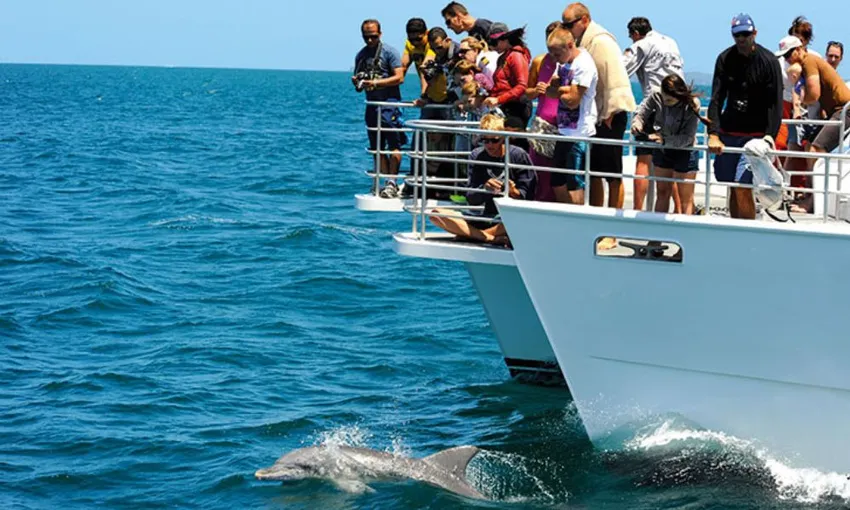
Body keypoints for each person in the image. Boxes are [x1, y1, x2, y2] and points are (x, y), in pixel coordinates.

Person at [562, 3, 636, 216]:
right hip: (597, 116)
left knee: (612, 174)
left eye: (569, 24)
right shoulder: (585, 41)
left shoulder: (601, 41)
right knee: (593, 172)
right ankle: (597, 219)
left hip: (609, 115)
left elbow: (614, 79)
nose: (566, 28)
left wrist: (610, 112)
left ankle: (612, 228)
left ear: (584, 20)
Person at [707, 13, 783, 220]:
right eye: (737, 35)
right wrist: (713, 133)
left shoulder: (769, 61)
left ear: (754, 33)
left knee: (742, 185)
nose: (741, 39)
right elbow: (716, 99)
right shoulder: (724, 59)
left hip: (756, 136)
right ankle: (736, 229)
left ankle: (748, 235)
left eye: (745, 34)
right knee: (731, 184)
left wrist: (769, 136)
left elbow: (775, 103)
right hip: (729, 132)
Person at [429, 114, 536, 245]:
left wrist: (513, 191)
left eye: (494, 140)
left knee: (519, 219)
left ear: (502, 138)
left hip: (508, 217)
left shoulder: (518, 155)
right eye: (485, 140)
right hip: (485, 214)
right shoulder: (477, 155)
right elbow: (471, 197)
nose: (490, 145)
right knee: (436, 214)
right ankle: (489, 238)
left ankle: (472, 235)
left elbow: (529, 196)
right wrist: (485, 189)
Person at [622, 16, 686, 211]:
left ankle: (638, 210)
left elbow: (621, 69)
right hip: (679, 104)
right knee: (670, 162)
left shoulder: (642, 44)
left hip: (655, 103)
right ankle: (680, 210)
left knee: (644, 159)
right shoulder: (670, 42)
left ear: (634, 34)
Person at [781, 34, 850, 210]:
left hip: (844, 111)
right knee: (809, 146)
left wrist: (800, 104)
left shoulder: (809, 61)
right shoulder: (809, 63)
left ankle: (811, 201)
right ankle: (808, 194)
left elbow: (814, 94)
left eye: (789, 54)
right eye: (784, 56)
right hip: (836, 111)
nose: (787, 59)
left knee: (814, 151)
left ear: (799, 50)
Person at [631, 74, 709, 215]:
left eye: (670, 100)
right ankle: (657, 235)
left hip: (685, 151)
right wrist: (637, 123)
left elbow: (688, 138)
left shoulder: (693, 104)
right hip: (663, 150)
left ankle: (685, 236)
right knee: (662, 192)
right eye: (664, 98)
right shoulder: (656, 96)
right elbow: (642, 112)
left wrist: (666, 140)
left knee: (685, 198)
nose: (665, 102)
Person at [352, 19, 406, 198]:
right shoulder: (361, 55)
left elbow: (399, 77)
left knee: (394, 144)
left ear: (380, 34)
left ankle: (392, 182)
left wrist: (376, 82)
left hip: (389, 104)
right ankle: (383, 181)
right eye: (366, 37)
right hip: (372, 106)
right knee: (376, 147)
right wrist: (359, 82)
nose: (370, 41)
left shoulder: (390, 52)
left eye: (373, 37)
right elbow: (359, 85)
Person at [546, 27, 598, 205]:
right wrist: (563, 89)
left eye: (557, 54)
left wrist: (559, 89)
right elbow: (550, 91)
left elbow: (573, 101)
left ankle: (579, 220)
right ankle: (565, 218)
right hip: (564, 131)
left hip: (580, 133)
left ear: (569, 45)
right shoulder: (563, 62)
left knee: (575, 182)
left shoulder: (584, 64)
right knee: (557, 181)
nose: (554, 59)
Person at [526, 21, 564, 202]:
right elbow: (526, 91)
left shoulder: (570, 63)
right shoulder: (539, 61)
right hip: (542, 124)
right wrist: (536, 91)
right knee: (538, 170)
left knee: (559, 172)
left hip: (564, 125)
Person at [484, 23, 532, 126]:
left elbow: (522, 86)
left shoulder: (516, 56)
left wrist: (498, 99)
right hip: (505, 106)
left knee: (511, 140)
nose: (491, 46)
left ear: (505, 40)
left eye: (494, 42)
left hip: (516, 107)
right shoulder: (503, 58)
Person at [401, 18, 433, 99]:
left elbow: (425, 68)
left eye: (418, 39)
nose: (415, 43)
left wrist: (423, 96)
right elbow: (403, 66)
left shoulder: (432, 43)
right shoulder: (409, 44)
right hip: (429, 94)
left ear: (427, 33)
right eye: (411, 39)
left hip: (443, 92)